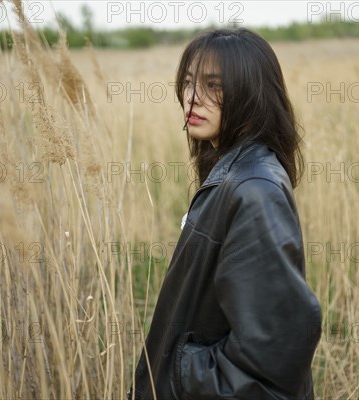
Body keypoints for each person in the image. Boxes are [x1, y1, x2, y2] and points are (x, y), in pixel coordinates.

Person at [129, 27, 322, 400]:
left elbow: (276, 350)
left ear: (253, 93)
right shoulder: (232, 171)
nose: (192, 98)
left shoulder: (254, 190)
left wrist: (180, 375)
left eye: (213, 85)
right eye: (187, 83)